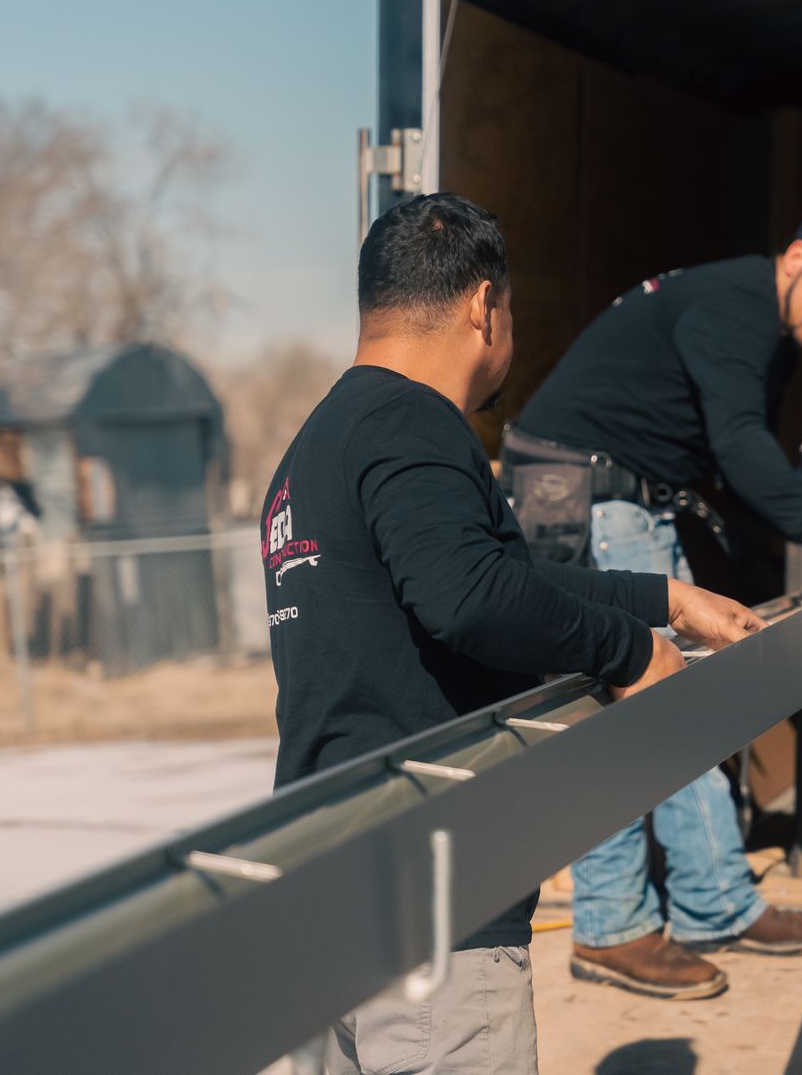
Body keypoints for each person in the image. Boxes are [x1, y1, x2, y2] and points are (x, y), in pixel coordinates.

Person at [263, 192, 765, 1074]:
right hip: (434, 906)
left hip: (332, 887)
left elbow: (485, 581)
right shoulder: (413, 423)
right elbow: (471, 596)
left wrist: (665, 599)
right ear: (481, 305)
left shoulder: (319, 446)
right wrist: (630, 651)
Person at [504, 204, 802, 1000]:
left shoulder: (767, 326)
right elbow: (740, 445)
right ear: (795, 257)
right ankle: (614, 925)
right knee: (644, 709)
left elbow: (730, 451)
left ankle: (714, 901)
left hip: (628, 494)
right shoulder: (736, 307)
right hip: (586, 492)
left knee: (687, 700)